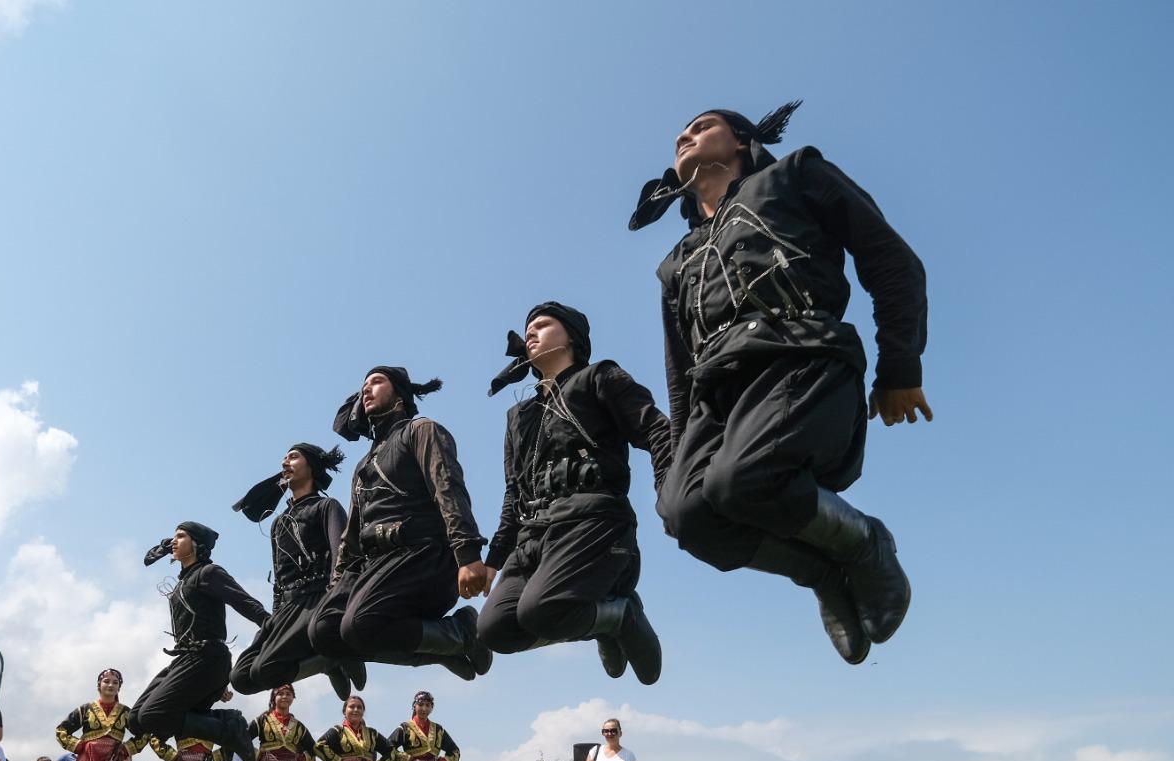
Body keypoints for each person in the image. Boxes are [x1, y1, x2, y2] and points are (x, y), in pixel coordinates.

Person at [629, 102, 929, 664]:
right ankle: (821, 573)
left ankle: (867, 544)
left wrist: (900, 366)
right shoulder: (676, 261)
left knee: (740, 482)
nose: (683, 135)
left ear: (741, 142)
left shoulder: (794, 175)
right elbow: (678, 367)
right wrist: (676, 470)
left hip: (801, 355)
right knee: (688, 516)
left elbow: (890, 259)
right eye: (680, 135)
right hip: (716, 393)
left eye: (701, 127)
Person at [479, 302, 673, 683]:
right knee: (495, 630)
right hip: (534, 534)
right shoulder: (518, 416)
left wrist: (670, 492)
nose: (530, 333)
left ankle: (623, 614)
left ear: (572, 337)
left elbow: (657, 430)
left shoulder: (599, 377)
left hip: (594, 522)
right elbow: (513, 491)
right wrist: (493, 558)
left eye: (543, 325)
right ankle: (605, 619)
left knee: (541, 612)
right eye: (527, 328)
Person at [310, 366, 494, 681]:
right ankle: (440, 652)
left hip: (424, 556)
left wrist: (467, 554)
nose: (366, 390)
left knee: (360, 625)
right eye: (363, 385)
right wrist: (336, 588)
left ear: (400, 394)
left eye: (376, 382)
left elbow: (447, 488)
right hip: (375, 565)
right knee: (324, 631)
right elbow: (351, 537)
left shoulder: (421, 430)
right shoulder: (362, 466)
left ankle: (462, 632)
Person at [232, 443, 364, 701]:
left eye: (293, 457)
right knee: (241, 678)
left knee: (265, 670)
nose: (285, 463)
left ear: (311, 467)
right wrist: (273, 616)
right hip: (286, 607)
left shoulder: (327, 507)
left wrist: (336, 604)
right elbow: (279, 578)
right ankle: (327, 657)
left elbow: (344, 557)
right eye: (284, 458)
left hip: (318, 599)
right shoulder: (278, 523)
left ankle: (332, 654)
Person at [133, 522, 269, 761]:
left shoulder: (208, 573)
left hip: (208, 658)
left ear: (197, 544)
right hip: (186, 659)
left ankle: (230, 729)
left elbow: (243, 601)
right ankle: (220, 720)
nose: (174, 541)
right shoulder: (183, 580)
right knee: (136, 719)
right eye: (173, 537)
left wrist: (271, 625)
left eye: (181, 536)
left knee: (153, 716)